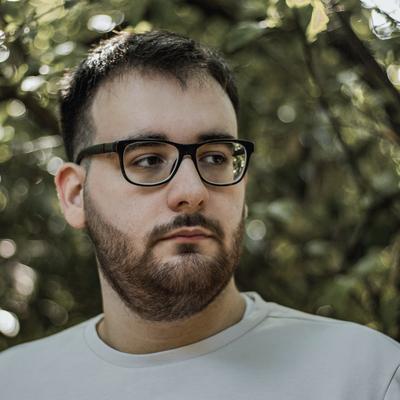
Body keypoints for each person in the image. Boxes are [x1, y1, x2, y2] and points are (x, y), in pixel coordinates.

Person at [0, 30, 399, 400]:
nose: (192, 192)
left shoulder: (368, 375)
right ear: (75, 195)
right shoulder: (16, 383)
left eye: (215, 158)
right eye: (148, 159)